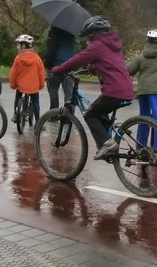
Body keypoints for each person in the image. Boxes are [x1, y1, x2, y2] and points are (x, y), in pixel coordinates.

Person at [50, 16, 134, 161]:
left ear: (93, 35)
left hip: (113, 91)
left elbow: (77, 60)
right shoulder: (113, 46)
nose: (87, 42)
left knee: (90, 114)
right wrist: (93, 67)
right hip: (126, 90)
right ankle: (109, 137)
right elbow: (110, 63)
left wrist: (58, 70)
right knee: (100, 111)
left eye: (88, 38)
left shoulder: (97, 46)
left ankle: (106, 144)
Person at [9, 34, 46, 124]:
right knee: (35, 102)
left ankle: (15, 114)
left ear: (23, 46)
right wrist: (41, 85)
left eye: (18, 45)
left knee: (18, 97)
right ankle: (38, 122)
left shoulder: (18, 58)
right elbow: (42, 73)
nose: (17, 47)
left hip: (21, 86)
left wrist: (13, 85)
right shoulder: (37, 58)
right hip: (34, 86)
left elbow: (13, 73)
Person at [44, 26, 76, 109]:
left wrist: (47, 64)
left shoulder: (54, 31)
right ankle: (69, 113)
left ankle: (54, 112)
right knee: (69, 94)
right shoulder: (71, 32)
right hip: (69, 66)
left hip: (55, 66)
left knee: (53, 90)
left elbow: (50, 50)